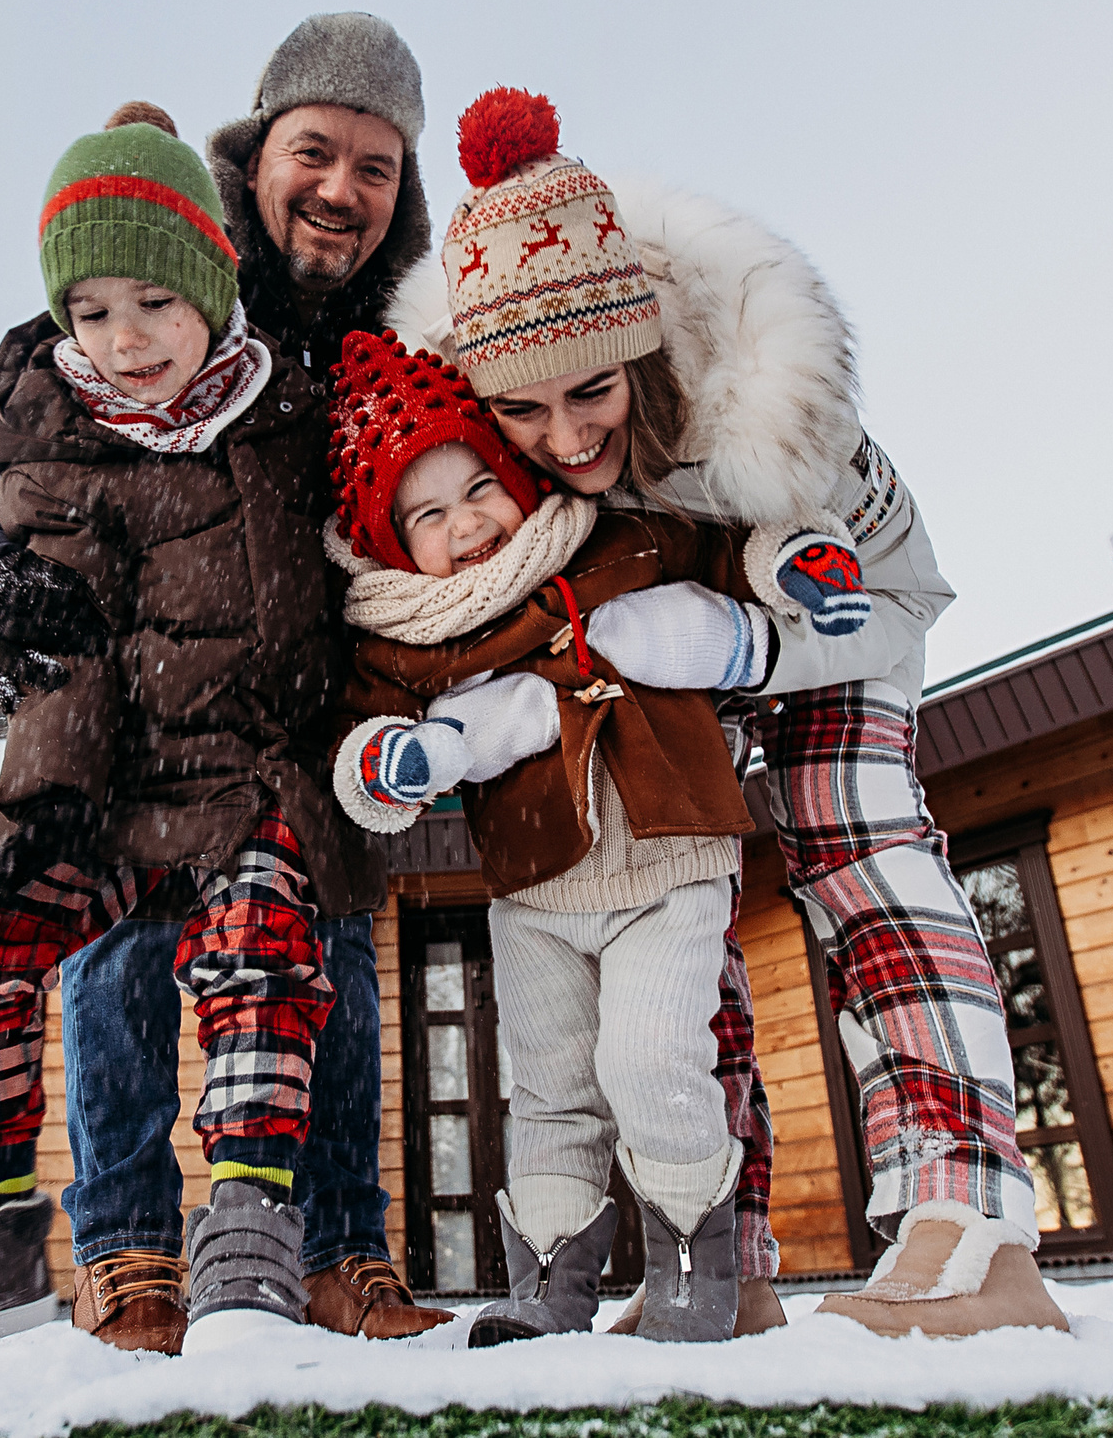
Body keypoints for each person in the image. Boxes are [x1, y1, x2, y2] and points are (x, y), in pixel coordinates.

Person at [390, 89, 1072, 1337]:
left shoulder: (768, 405)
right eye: (523, 412)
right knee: (675, 895)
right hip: (656, 648)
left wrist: (750, 639)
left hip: (831, 619)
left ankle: (968, 1228)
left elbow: (888, 603)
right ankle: (726, 1261)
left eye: (591, 392)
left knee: (848, 831)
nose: (563, 437)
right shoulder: (495, 440)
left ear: (639, 350)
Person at [0, 16, 454, 1349]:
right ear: (258, 153)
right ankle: (126, 1251)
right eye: (314, 150)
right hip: (133, 714)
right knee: (114, 957)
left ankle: (334, 1250)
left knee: (320, 965)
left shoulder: (409, 326)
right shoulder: (154, 270)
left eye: (375, 166)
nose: (339, 187)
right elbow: (23, 465)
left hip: (308, 718)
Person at [0, 104, 352, 1354]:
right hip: (92, 785)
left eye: (153, 301)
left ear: (210, 287)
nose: (125, 339)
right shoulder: (38, 434)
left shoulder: (284, 418)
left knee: (260, 958)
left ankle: (250, 1219)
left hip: (246, 771)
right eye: (91, 312)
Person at [319, 321, 856, 1344]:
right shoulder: (411, 637)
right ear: (393, 542)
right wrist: (393, 762)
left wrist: (794, 569)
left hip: (669, 857)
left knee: (652, 1061)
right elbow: (365, 733)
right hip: (533, 887)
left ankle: (693, 1274)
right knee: (551, 1090)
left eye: (479, 486)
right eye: (427, 513)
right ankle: (548, 1289)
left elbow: (726, 551)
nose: (466, 523)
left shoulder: (614, 541)